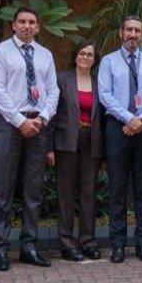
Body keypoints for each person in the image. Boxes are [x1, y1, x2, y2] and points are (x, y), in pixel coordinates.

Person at [0, 7, 59, 271]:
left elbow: (53, 90)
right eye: (22, 21)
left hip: (38, 125)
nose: (27, 26)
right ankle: (1, 249)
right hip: (10, 125)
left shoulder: (45, 55)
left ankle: (29, 246)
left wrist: (43, 118)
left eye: (32, 22)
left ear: (37, 27)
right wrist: (20, 121)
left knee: (34, 189)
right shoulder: (1, 52)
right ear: (14, 25)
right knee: (4, 188)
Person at [98, 15, 142, 263]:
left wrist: (141, 120)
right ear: (121, 33)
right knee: (117, 188)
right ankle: (118, 245)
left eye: (137, 30)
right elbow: (105, 95)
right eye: (129, 30)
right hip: (118, 128)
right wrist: (128, 118)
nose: (133, 34)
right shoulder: (108, 62)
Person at [47, 40, 105, 262]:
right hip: (66, 141)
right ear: (74, 56)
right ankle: (67, 243)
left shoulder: (99, 83)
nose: (85, 58)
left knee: (89, 193)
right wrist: (49, 147)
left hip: (92, 141)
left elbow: (104, 116)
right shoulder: (62, 80)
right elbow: (51, 114)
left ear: (95, 59)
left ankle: (88, 241)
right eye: (82, 53)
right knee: (66, 193)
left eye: (90, 55)